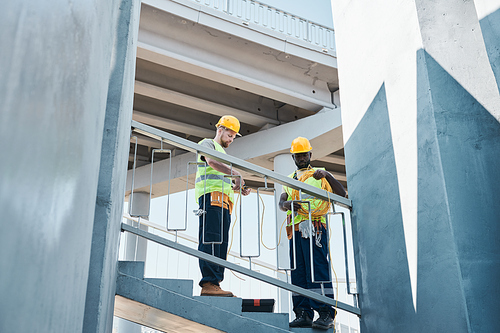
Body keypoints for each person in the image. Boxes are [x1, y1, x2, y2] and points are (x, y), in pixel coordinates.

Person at [278, 137, 346, 330]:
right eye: (297, 155)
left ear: (310, 154)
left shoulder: (320, 175)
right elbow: (282, 202)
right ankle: (303, 313)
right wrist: (286, 204)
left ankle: (325, 313)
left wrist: (327, 176)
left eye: (304, 154)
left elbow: (342, 195)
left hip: (315, 228)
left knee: (318, 270)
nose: (301, 158)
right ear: (293, 157)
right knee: (298, 273)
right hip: (298, 231)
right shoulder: (290, 179)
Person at [195, 115, 251, 297]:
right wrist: (236, 173)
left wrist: (238, 186)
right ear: (220, 130)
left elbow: (220, 173)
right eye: (230, 134)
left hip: (223, 201)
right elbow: (211, 162)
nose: (232, 139)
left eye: (234, 136)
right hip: (211, 198)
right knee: (211, 239)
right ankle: (209, 283)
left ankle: (215, 283)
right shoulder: (207, 144)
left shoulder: (223, 154)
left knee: (220, 243)